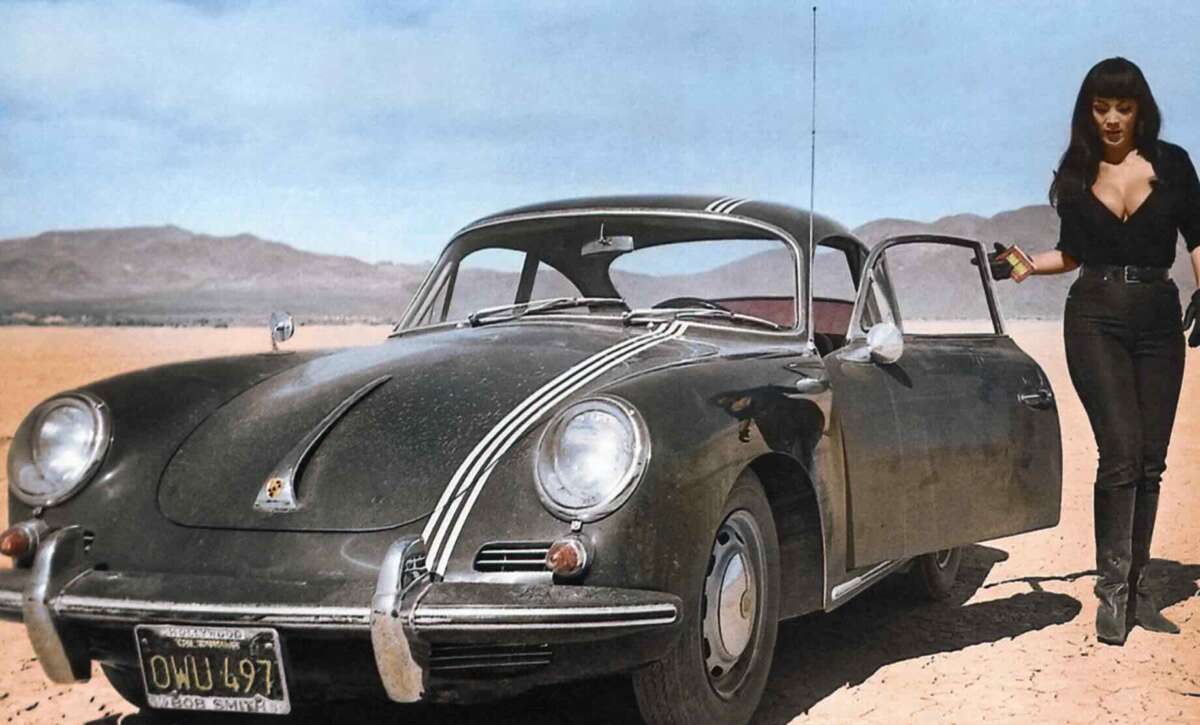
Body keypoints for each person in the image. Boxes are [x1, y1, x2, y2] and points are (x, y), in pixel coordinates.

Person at [989, 57, 1200, 646]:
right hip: (1095, 317)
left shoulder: (1173, 164)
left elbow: (1197, 236)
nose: (1111, 119)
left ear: (1140, 111)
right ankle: (1111, 595)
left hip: (1158, 317)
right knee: (1121, 452)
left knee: (1152, 459)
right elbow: (1072, 253)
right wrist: (1023, 265)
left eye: (1123, 108)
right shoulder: (1077, 173)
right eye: (1101, 107)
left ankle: (1139, 590)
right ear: (1088, 111)